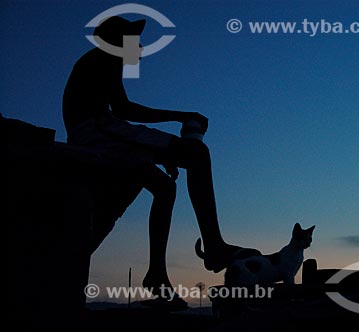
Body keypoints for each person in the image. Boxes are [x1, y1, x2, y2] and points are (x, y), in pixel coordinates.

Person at [63, 16, 260, 307]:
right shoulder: (106, 57)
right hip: (97, 131)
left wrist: (152, 152)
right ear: (118, 40)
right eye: (134, 40)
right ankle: (214, 246)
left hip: (98, 132)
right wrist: (179, 117)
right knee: (196, 154)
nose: (139, 47)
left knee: (165, 188)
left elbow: (118, 114)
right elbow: (124, 109)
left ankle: (156, 274)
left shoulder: (99, 59)